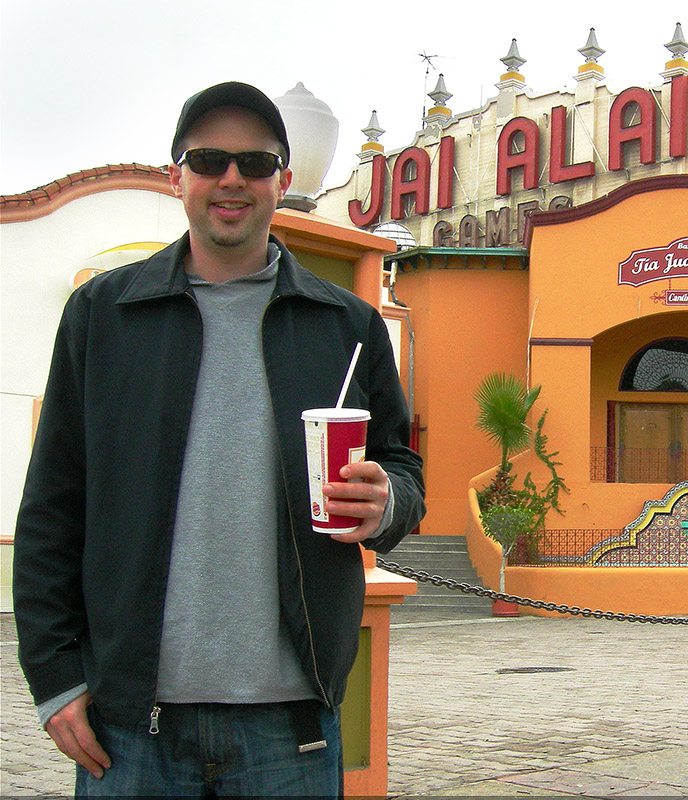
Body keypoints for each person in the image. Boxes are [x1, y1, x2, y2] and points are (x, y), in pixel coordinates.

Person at [13, 81, 425, 797]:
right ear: (178, 177)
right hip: (128, 723)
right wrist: (53, 678)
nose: (231, 178)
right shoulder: (103, 315)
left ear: (283, 182)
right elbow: (53, 506)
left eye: (255, 163)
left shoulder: (347, 328)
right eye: (208, 159)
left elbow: (404, 470)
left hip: (291, 724)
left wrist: (387, 498)